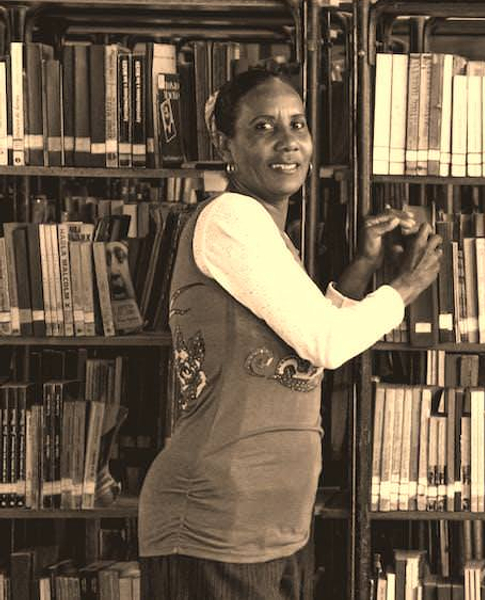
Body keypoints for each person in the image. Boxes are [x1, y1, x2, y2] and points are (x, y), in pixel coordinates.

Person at [138, 68, 440, 599]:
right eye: (262, 127)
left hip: (274, 523)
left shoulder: (268, 233)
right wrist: (407, 286)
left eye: (298, 124)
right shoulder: (230, 217)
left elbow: (308, 349)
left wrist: (363, 267)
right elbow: (326, 341)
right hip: (215, 523)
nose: (288, 142)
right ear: (224, 143)